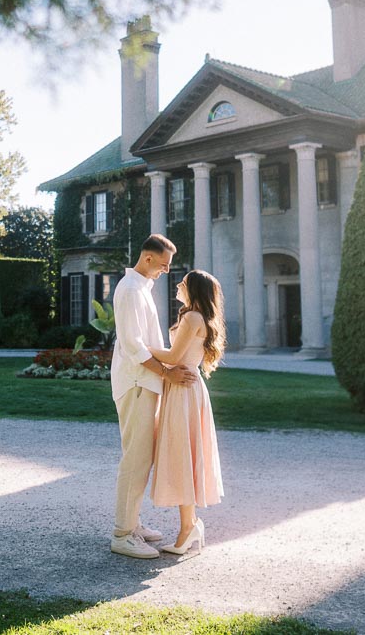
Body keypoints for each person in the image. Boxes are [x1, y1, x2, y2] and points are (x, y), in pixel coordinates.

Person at [109, 233, 198, 559]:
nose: (164, 271)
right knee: (136, 458)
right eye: (162, 265)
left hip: (144, 383)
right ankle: (122, 533)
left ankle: (131, 523)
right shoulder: (131, 290)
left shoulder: (141, 289)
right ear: (147, 258)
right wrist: (168, 372)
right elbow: (133, 346)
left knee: (141, 457)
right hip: (136, 383)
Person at [147, 269, 226, 556]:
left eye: (183, 282)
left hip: (184, 390)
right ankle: (189, 524)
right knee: (186, 455)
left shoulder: (193, 318)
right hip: (185, 389)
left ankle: (187, 529)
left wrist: (138, 348)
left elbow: (170, 357)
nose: (179, 284)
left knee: (183, 454)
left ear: (194, 289)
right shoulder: (193, 316)